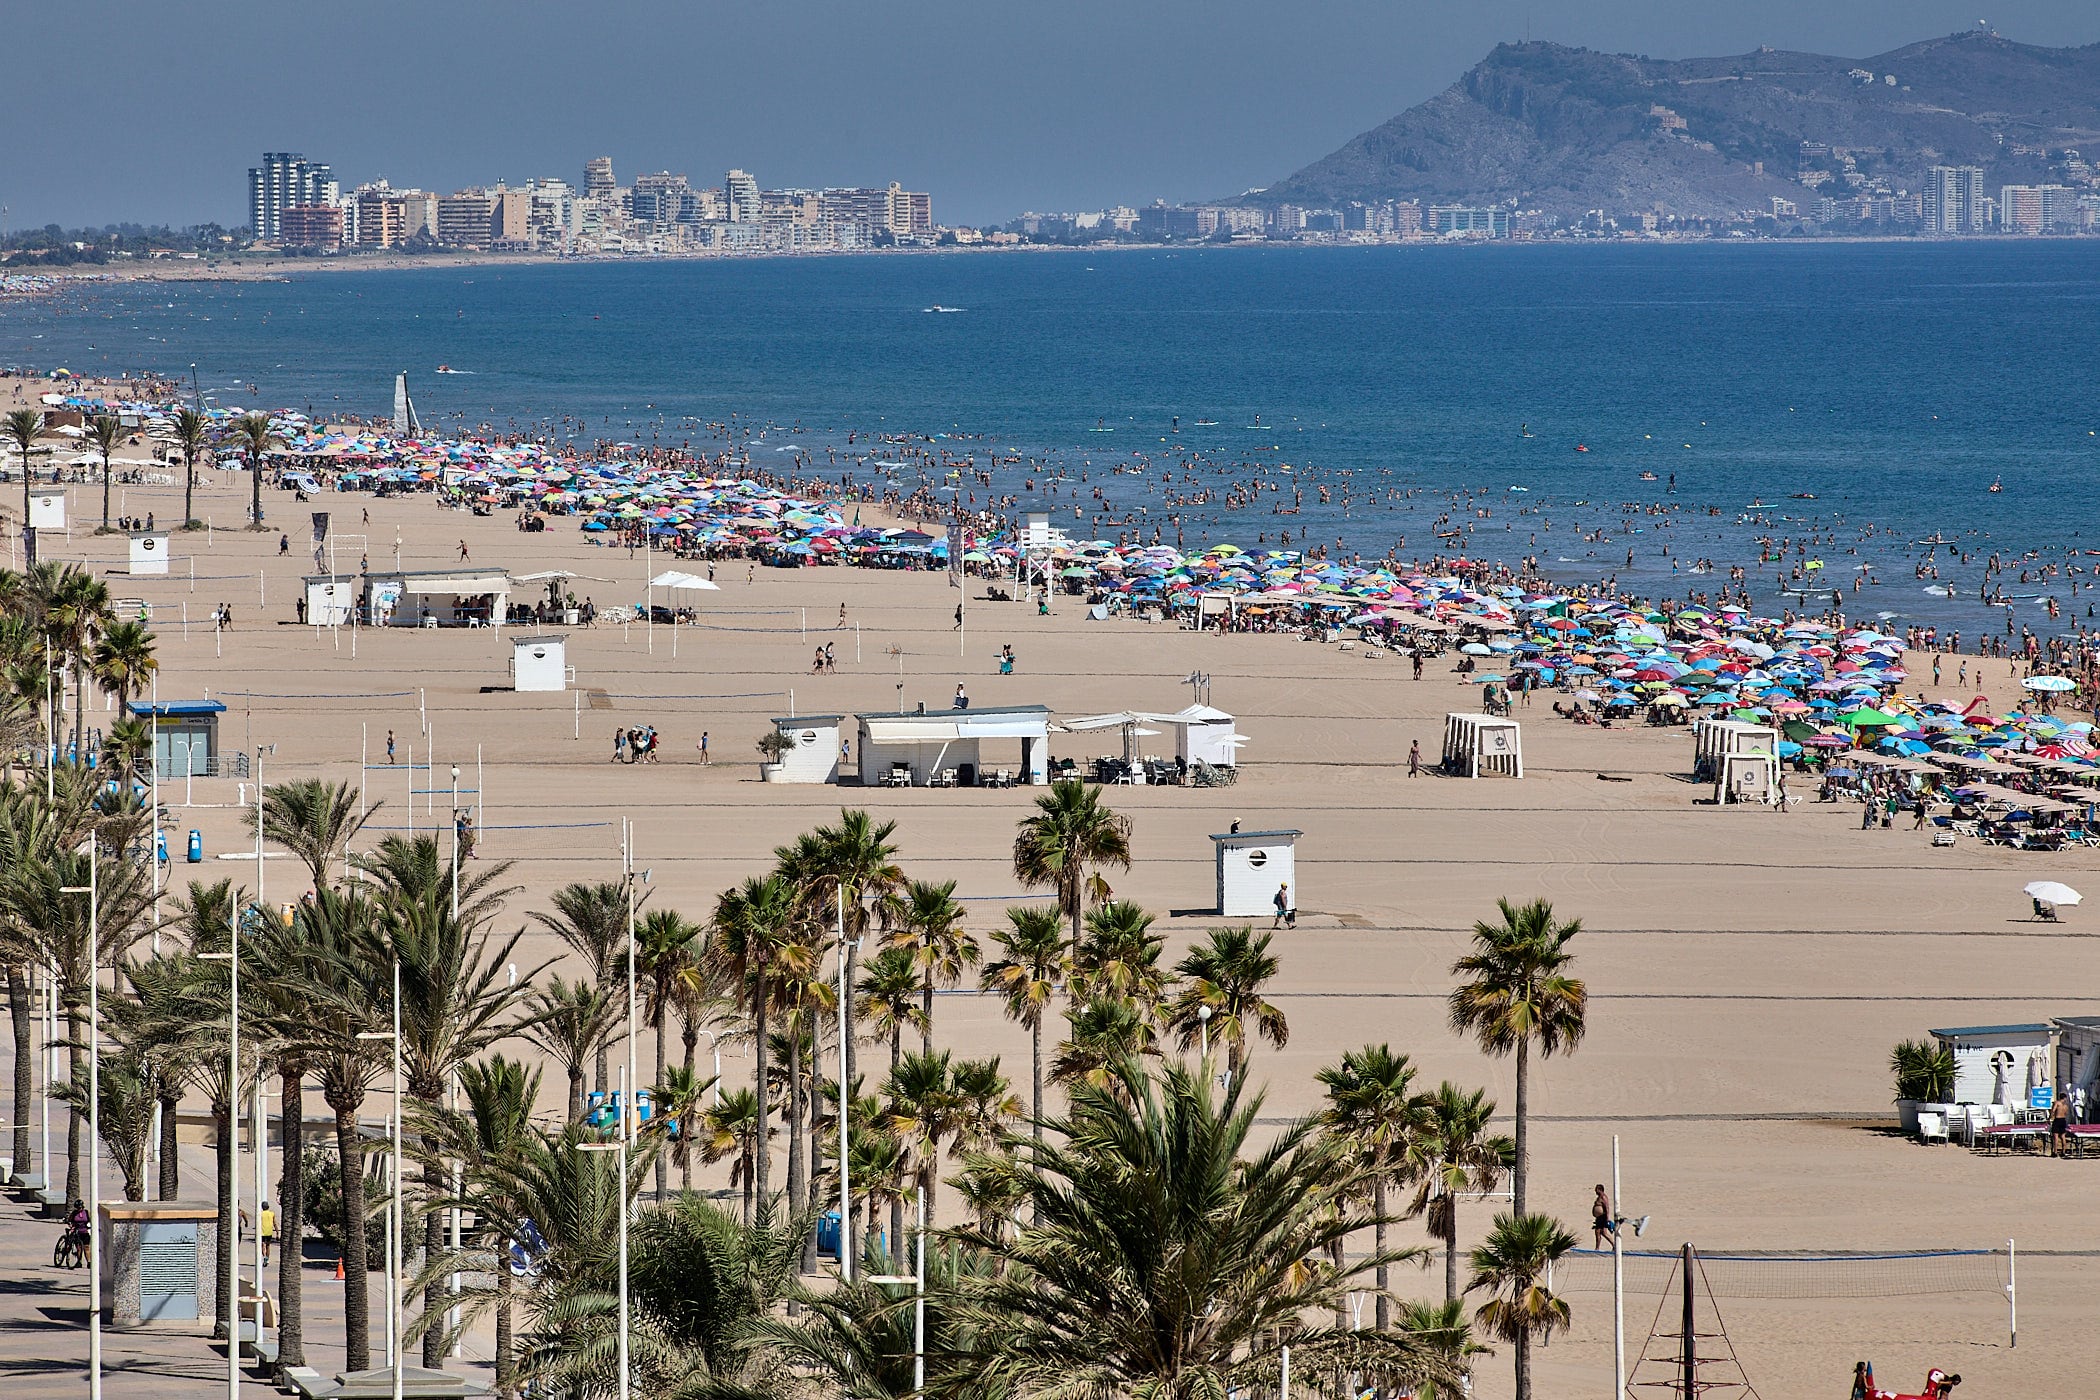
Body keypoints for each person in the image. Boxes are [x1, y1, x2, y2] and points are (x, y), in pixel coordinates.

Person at [259, 1199, 277, 1266]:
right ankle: (267, 1258)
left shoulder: (260, 1214)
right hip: (269, 1232)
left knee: (263, 1245)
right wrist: (277, 1232)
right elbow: (274, 1223)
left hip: (262, 1232)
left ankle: (264, 1257)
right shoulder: (272, 1213)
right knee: (268, 1246)